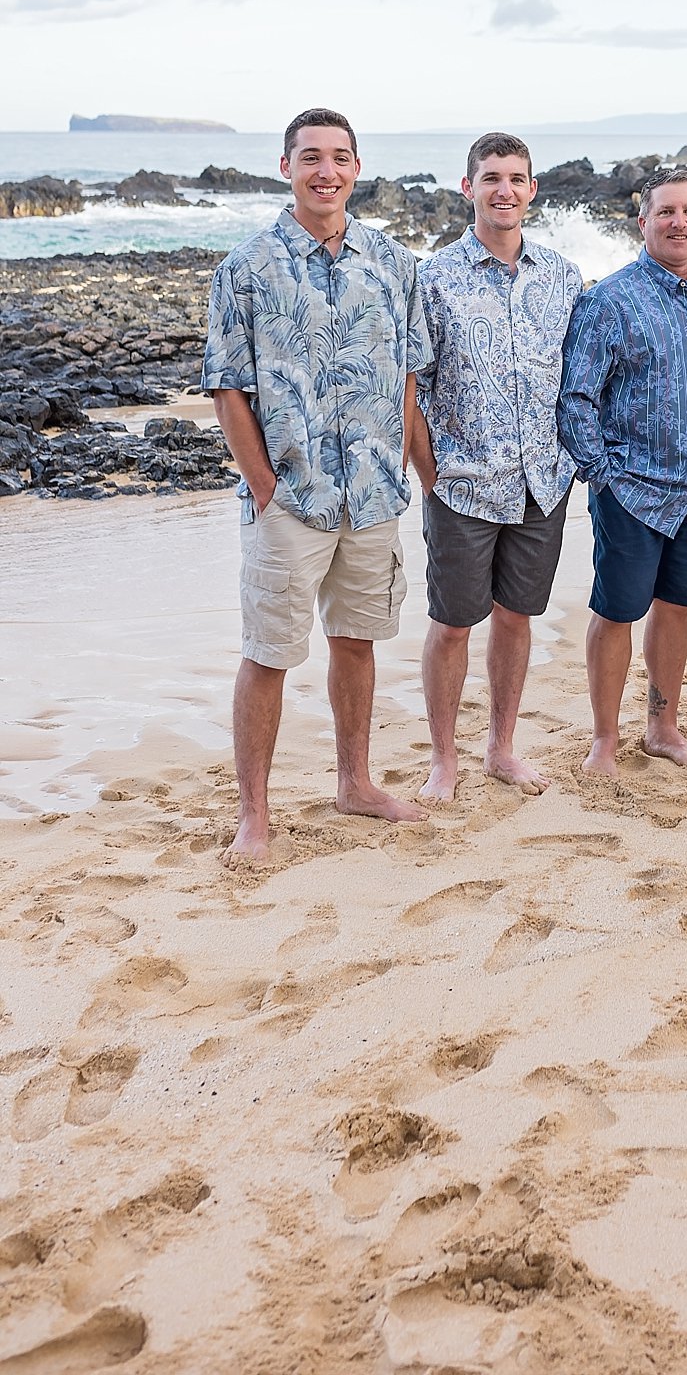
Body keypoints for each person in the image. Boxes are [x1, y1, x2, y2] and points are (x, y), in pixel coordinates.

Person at [202, 107, 432, 863]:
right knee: (267, 653)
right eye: (310, 158)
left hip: (370, 494)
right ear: (286, 167)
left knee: (356, 643)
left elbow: (408, 372)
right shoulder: (245, 268)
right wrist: (264, 485)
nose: (325, 171)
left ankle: (355, 784)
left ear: (357, 168)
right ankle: (254, 816)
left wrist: (404, 464)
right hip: (290, 500)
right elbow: (227, 387)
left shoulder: (395, 265)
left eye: (339, 158)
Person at [409, 132, 583, 799]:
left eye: (515, 178)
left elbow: (580, 375)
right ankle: (443, 759)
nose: (503, 190)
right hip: (462, 484)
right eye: (491, 178)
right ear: (468, 188)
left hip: (543, 480)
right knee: (452, 624)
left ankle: (501, 749)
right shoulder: (433, 279)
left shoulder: (562, 276)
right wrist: (430, 475)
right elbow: (410, 385)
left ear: (532, 189)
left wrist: (574, 457)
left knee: (516, 617)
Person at [559, 168, 687, 776]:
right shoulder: (609, 300)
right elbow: (576, 398)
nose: (678, 222)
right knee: (616, 611)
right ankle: (605, 739)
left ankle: (662, 728)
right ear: (642, 222)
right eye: (666, 212)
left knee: (675, 607)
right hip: (631, 489)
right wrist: (602, 474)